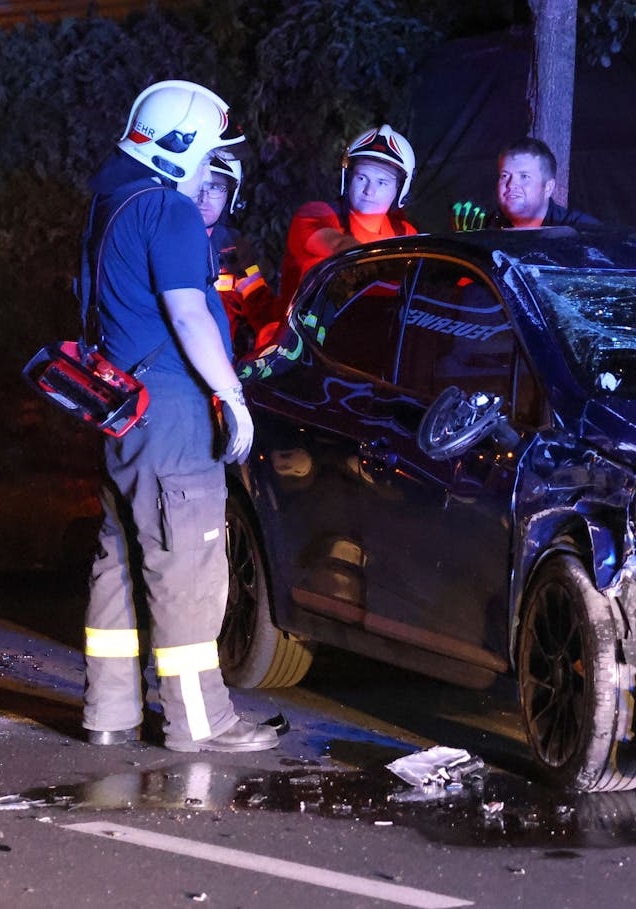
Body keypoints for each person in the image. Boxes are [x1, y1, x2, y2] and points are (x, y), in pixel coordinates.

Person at [81, 79, 276, 753]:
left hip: (122, 410)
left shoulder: (113, 201)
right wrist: (234, 398)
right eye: (208, 150)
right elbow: (190, 312)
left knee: (121, 559)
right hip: (169, 412)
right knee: (186, 566)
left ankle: (109, 711)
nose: (210, 165)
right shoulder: (169, 211)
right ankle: (201, 720)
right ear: (180, 147)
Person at [275, 124, 420, 309]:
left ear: (400, 190)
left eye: (382, 182)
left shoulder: (405, 233)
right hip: (305, 334)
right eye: (362, 178)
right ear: (348, 178)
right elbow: (339, 246)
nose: (369, 191)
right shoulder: (315, 214)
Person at [196, 151, 281, 356]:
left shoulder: (233, 247)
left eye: (215, 187)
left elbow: (257, 299)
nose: (203, 197)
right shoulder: (160, 236)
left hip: (217, 360)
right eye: (199, 184)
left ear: (230, 195)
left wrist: (277, 332)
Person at [488, 137, 599, 230]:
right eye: (505, 176)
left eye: (524, 176)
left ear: (548, 188)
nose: (511, 184)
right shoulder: (484, 229)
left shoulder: (582, 231)